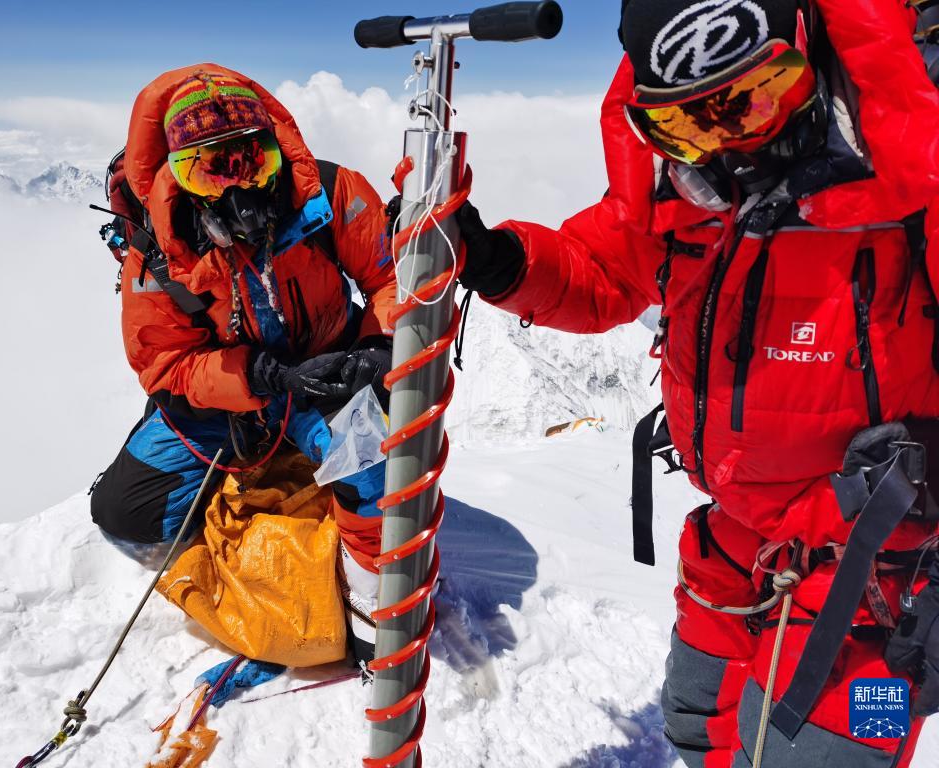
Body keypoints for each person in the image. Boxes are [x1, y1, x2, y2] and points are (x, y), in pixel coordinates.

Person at [454, 1, 939, 765]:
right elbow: (605, 269)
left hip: (875, 580)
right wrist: (502, 263)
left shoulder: (916, 185)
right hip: (734, 548)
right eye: (688, 124)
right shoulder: (687, 194)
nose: (733, 141)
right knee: (698, 724)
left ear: (807, 61)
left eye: (755, 96)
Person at [89, 63, 394, 663]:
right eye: (209, 167)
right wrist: (255, 377)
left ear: (276, 151)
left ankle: (371, 605)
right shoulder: (157, 254)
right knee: (126, 513)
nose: (238, 185)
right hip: (229, 402)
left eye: (252, 159)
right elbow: (168, 366)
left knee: (370, 458)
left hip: (330, 368)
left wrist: (377, 351)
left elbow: (395, 279)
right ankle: (251, 533)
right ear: (178, 173)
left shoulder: (329, 195)